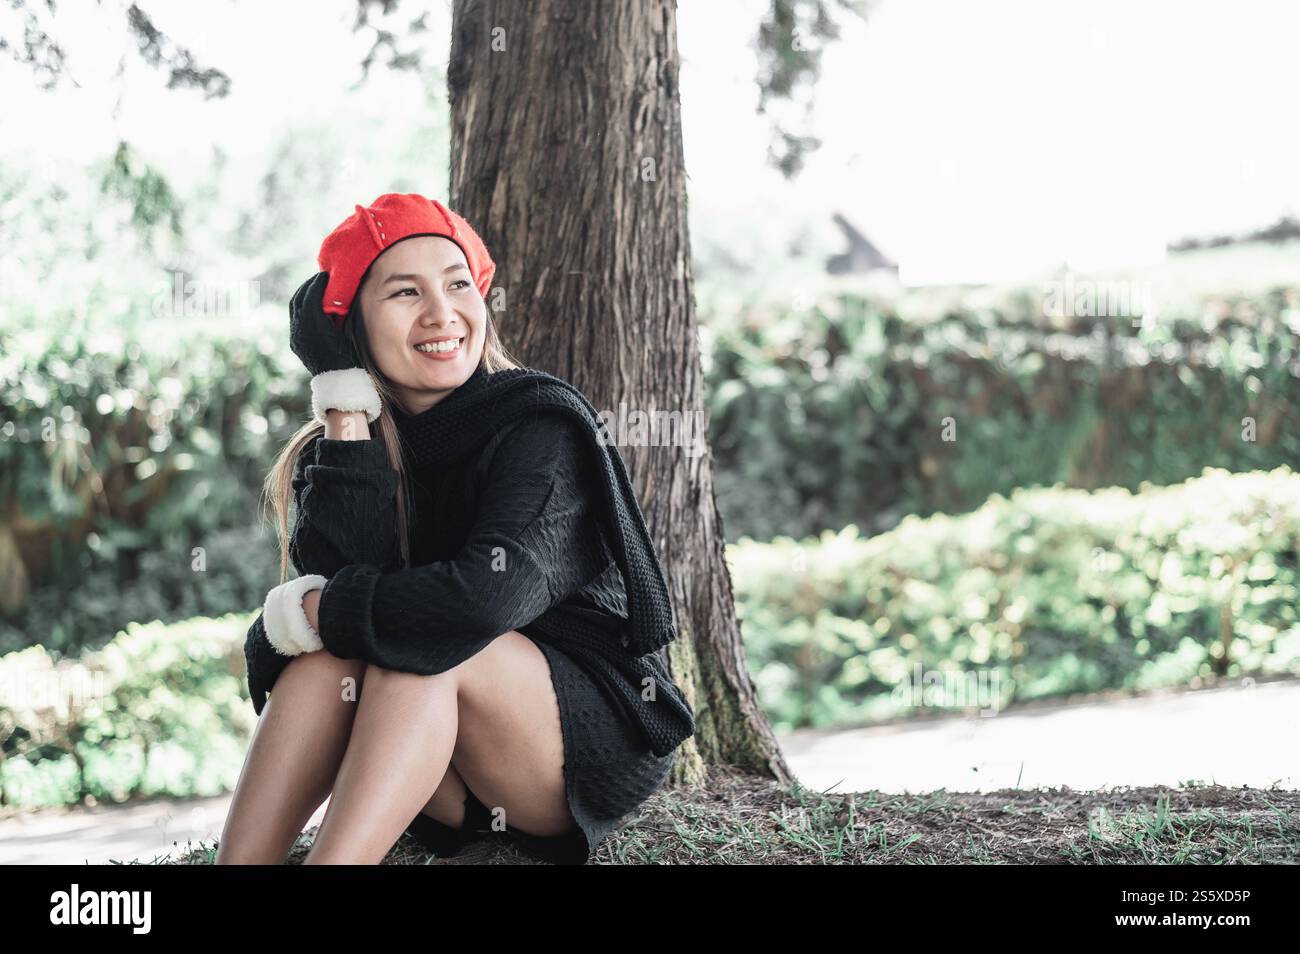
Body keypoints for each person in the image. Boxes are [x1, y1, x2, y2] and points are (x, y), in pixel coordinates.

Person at [215, 193, 695, 866]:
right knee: (334, 662)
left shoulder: (539, 425)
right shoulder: (340, 447)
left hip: (574, 741)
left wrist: (319, 610)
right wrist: (347, 410)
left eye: (458, 284)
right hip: (435, 756)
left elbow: (481, 603)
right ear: (354, 329)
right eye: (405, 293)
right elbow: (337, 598)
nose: (442, 314)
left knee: (429, 649)